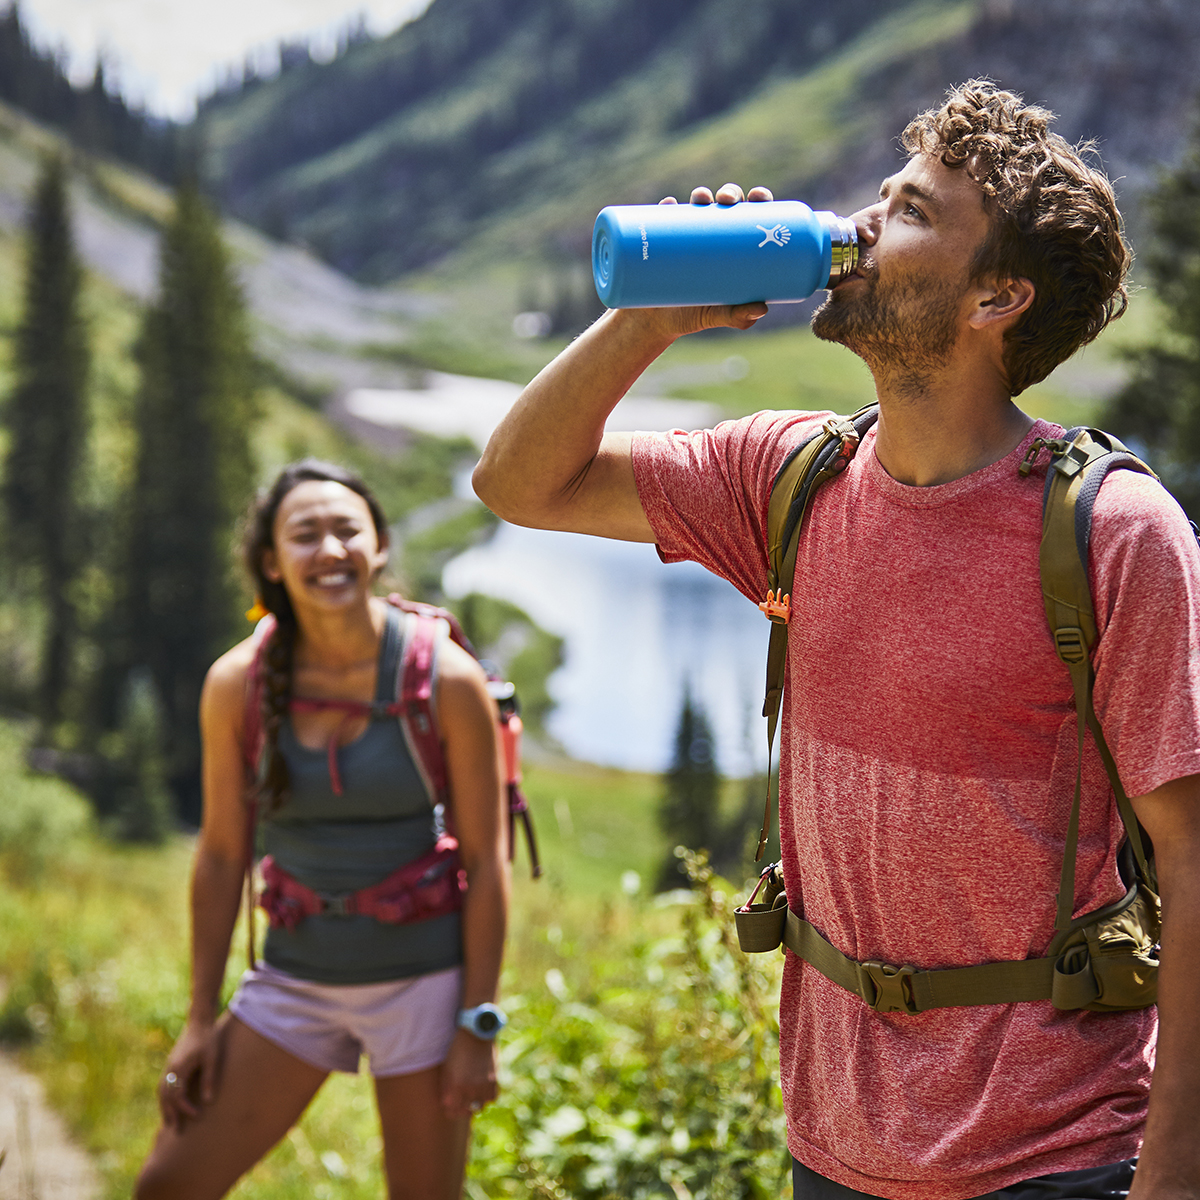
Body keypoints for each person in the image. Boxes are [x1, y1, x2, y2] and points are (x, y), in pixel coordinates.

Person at [472, 80, 1200, 1200]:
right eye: (881, 195)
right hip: (834, 1143)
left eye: (909, 211)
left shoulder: (1111, 529)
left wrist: (1174, 1175)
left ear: (996, 297)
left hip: (1057, 1155)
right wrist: (649, 317)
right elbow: (518, 481)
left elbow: (1193, 863)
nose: (861, 227)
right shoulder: (789, 475)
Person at [135, 460, 509, 1200]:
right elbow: (219, 857)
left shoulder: (448, 679)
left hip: (425, 990)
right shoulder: (237, 684)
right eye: (305, 535)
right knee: (167, 1187)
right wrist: (199, 1021)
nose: (330, 550)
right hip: (293, 982)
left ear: (377, 548)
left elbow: (487, 864)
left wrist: (477, 1025)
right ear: (272, 562)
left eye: (347, 530)